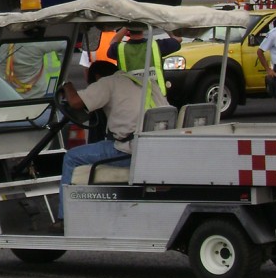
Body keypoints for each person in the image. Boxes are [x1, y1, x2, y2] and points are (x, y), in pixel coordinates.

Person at [52, 67, 170, 232]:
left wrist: (67, 86)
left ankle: (64, 219)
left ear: (98, 77)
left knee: (71, 157)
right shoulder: (145, 83)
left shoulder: (108, 83)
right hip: (156, 150)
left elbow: (76, 102)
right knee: (103, 144)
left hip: (129, 151)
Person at [106, 25, 182, 97]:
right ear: (144, 29)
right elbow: (178, 39)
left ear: (128, 31)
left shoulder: (120, 49)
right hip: (157, 97)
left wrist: (125, 27)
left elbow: (112, 43)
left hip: (131, 97)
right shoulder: (156, 45)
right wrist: (163, 26)